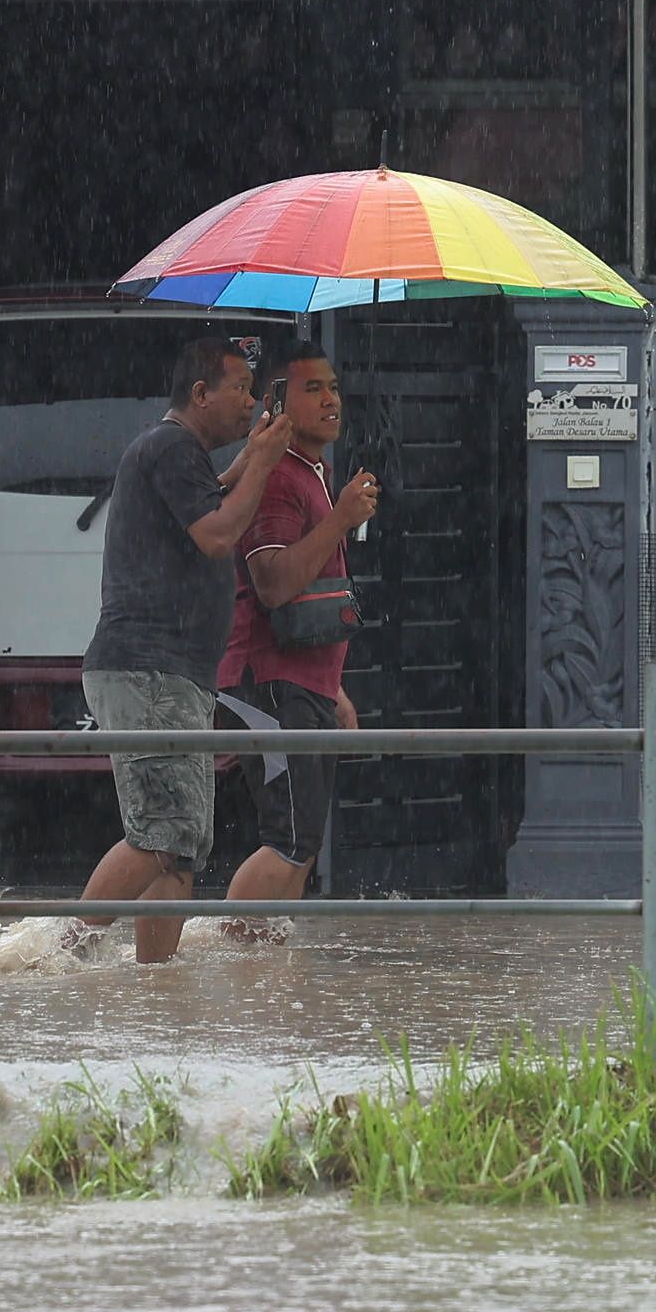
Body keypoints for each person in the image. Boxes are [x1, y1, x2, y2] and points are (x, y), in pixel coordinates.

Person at [72, 335, 297, 961]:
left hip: (174, 673)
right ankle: (65, 949)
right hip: (150, 669)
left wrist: (248, 459)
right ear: (201, 393)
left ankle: (156, 978)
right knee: (161, 831)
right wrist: (263, 464)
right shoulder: (171, 445)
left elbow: (209, 499)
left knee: (183, 842)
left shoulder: (179, 454)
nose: (252, 402)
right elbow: (218, 533)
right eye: (241, 390)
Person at [218, 344, 379, 915]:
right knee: (287, 838)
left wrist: (333, 688)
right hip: (267, 682)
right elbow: (273, 583)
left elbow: (309, 600)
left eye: (333, 387)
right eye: (313, 389)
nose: (331, 399)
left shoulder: (314, 473)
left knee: (303, 840)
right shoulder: (276, 476)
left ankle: (265, 958)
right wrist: (340, 519)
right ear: (277, 401)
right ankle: (233, 955)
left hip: (305, 683)